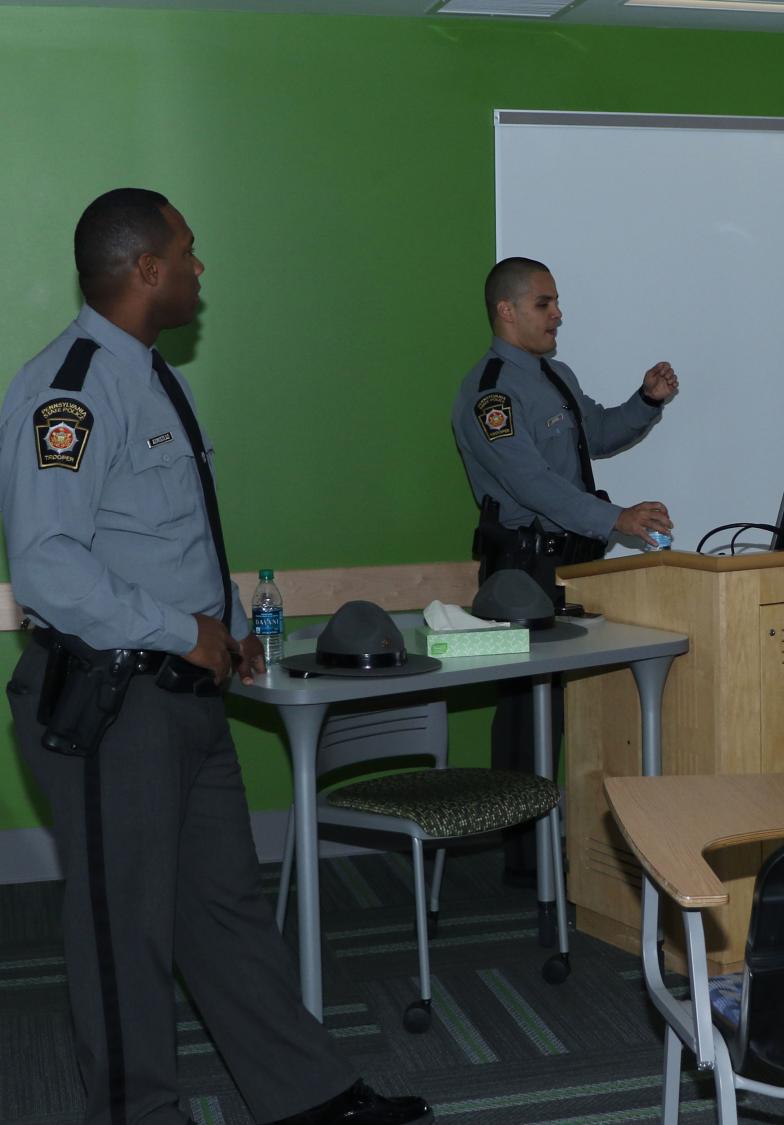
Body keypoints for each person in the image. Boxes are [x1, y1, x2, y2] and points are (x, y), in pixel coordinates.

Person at [0, 188, 433, 1125]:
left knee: (225, 907)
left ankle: (305, 1095)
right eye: (189, 253)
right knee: (125, 936)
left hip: (183, 692)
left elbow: (169, 533)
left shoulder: (154, 375)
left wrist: (224, 622)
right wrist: (177, 628)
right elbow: (45, 565)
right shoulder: (69, 388)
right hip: (111, 702)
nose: (202, 268)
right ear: (145, 269)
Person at [450, 256, 678, 879]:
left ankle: (565, 853)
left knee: (566, 713)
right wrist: (615, 519)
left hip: (571, 568)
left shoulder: (554, 375)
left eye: (556, 303)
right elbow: (530, 482)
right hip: (522, 572)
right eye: (545, 303)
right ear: (508, 310)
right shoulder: (490, 391)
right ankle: (526, 866)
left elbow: (594, 434)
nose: (559, 315)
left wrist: (645, 401)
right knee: (528, 718)